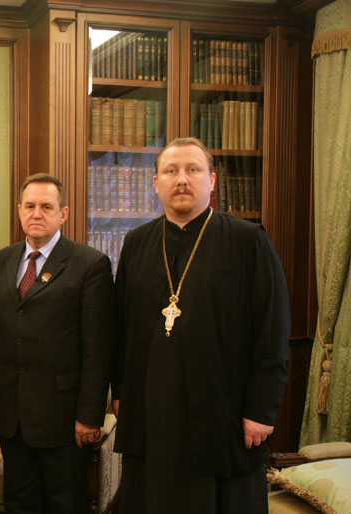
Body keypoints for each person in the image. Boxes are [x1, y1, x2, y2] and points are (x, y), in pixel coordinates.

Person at [112, 137, 289, 514]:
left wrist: (261, 409)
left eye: (192, 170)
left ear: (212, 180)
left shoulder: (247, 240)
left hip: (223, 413)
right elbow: (121, 328)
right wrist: (120, 392)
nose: (181, 179)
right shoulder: (137, 243)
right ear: (155, 183)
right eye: (171, 171)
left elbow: (272, 330)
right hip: (152, 413)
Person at [0, 173, 116, 514]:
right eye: (29, 206)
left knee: (64, 506)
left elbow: (98, 349)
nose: (37, 214)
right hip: (13, 417)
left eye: (46, 207)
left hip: (64, 420)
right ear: (19, 210)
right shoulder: (2, 260)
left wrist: (89, 416)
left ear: (64, 214)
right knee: (19, 504)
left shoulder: (89, 264)